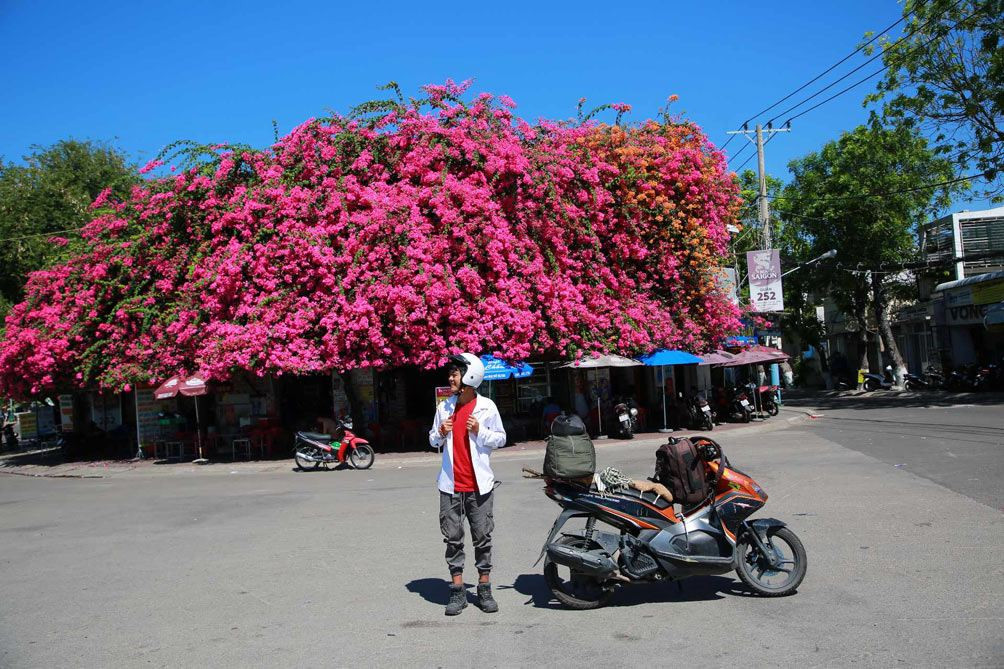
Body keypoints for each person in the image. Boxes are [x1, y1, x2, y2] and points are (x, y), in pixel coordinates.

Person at [428, 352, 507, 616]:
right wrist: (440, 433)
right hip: (450, 485)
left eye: (455, 373)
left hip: (479, 485)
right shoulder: (444, 408)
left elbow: (501, 439)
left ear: (470, 376)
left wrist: (479, 431)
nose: (450, 377)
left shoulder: (487, 407)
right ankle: (457, 590)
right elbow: (432, 441)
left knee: (482, 537)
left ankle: (484, 589)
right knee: (452, 538)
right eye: (450, 373)